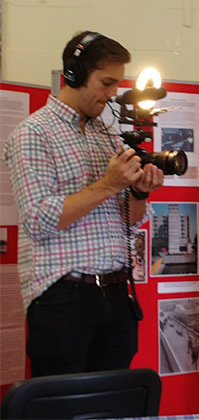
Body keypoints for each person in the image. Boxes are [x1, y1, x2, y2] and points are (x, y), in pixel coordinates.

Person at [3, 31, 164, 377]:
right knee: (62, 406)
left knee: (112, 403)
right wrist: (108, 184)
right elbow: (37, 220)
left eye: (117, 83)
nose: (112, 94)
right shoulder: (33, 133)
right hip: (64, 298)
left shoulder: (107, 135)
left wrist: (138, 192)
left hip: (118, 294)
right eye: (106, 82)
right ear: (74, 74)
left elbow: (130, 221)